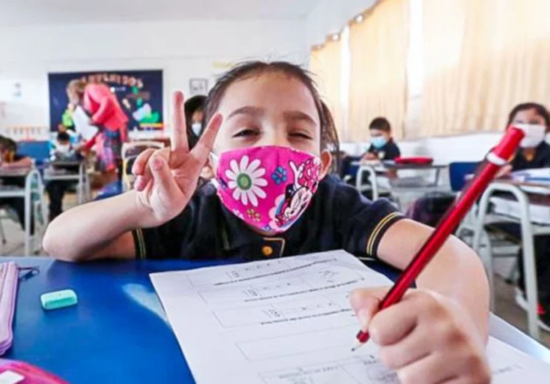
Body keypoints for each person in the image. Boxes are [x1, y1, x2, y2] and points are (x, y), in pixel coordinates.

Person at [44, 62, 491, 383]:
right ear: (212, 161)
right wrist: (146, 208)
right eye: (246, 132)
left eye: (298, 133)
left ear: (320, 164)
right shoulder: (190, 213)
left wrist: (460, 327)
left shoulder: (337, 205)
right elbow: (61, 241)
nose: (275, 144)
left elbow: (451, 256)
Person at [490, 102, 550, 333]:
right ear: (509, 126)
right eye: (520, 121)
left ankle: (540, 292)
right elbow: (478, 186)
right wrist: (496, 175)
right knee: (537, 238)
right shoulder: (500, 152)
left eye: (535, 122)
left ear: (546, 126)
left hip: (538, 215)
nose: (527, 127)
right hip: (501, 214)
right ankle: (533, 293)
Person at [67, 80, 128, 195]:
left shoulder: (92, 88)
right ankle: (110, 195)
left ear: (74, 90)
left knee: (110, 166)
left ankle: (113, 197)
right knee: (105, 166)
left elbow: (108, 101)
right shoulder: (85, 101)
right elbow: (97, 131)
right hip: (107, 131)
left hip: (113, 128)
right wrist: (86, 145)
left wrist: (94, 119)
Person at [47, 131, 81, 220]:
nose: (62, 145)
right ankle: (55, 212)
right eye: (61, 143)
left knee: (56, 187)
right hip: (56, 179)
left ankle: (55, 213)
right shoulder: (54, 153)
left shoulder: (75, 152)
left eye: (64, 143)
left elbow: (79, 165)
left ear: (68, 141)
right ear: (57, 142)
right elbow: (52, 165)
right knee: (52, 186)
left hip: (71, 179)